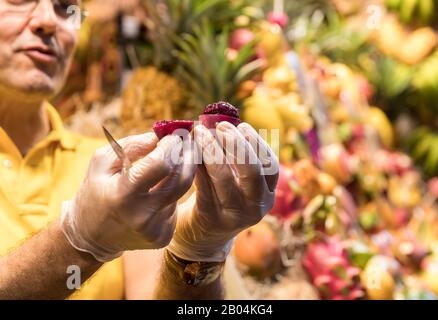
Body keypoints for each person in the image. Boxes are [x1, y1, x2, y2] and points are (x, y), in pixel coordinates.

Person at [0, 0, 279, 299]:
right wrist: (76, 240)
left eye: (64, 6)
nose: (49, 20)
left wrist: (197, 253)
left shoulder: (113, 165)